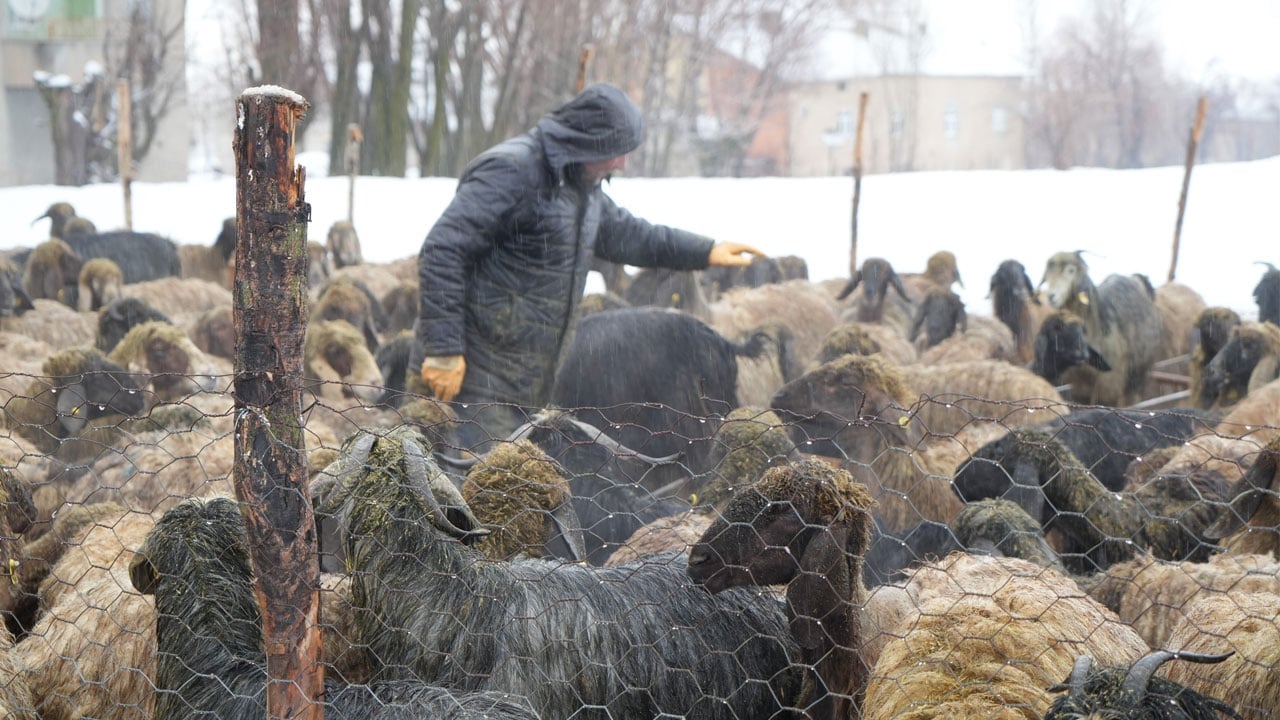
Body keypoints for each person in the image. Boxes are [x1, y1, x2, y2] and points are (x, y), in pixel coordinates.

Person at [412, 82, 762, 450]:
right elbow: (443, 250)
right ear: (587, 141)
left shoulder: (581, 187)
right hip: (474, 375)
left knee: (512, 489)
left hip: (526, 379)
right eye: (617, 151)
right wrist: (444, 349)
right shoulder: (512, 171)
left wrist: (705, 251)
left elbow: (634, 236)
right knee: (477, 490)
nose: (622, 163)